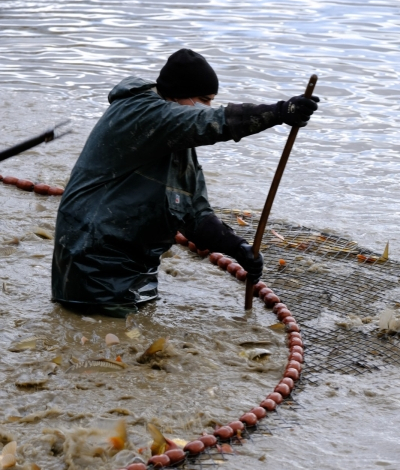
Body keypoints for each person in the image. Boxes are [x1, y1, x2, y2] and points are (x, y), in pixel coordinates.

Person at [52, 48, 319, 317]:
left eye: (212, 101)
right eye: (203, 100)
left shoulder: (175, 139)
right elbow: (209, 122)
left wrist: (237, 248)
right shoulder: (142, 113)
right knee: (107, 331)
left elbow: (194, 212)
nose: (207, 107)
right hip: (93, 254)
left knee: (136, 323)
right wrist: (279, 112)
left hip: (135, 261)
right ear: (176, 94)